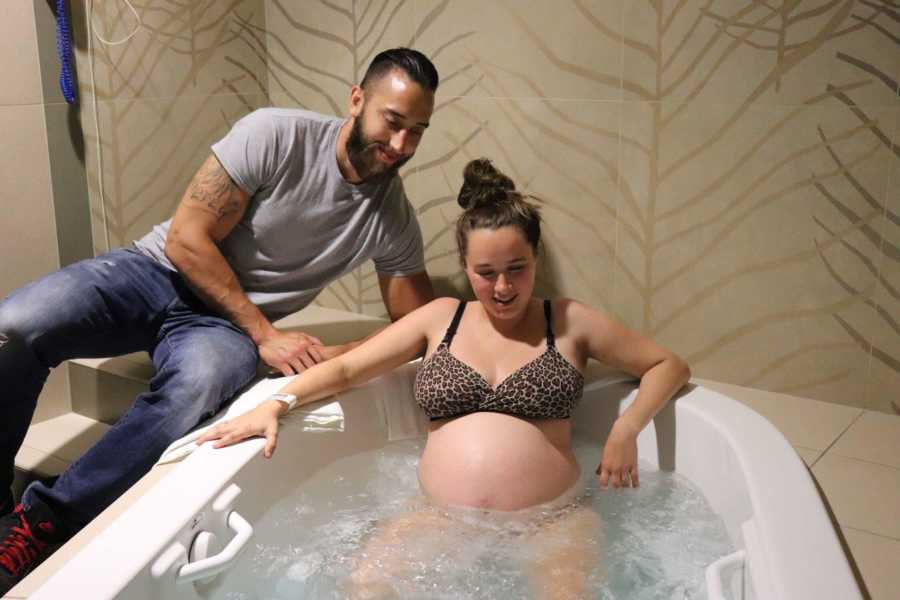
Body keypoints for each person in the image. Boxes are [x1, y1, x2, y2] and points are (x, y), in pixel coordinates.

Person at [0, 48, 439, 593]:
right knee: (14, 324)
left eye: (417, 131)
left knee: (195, 388)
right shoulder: (276, 135)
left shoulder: (391, 218)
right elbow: (187, 238)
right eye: (392, 122)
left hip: (219, 329)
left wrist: (339, 353)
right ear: (357, 100)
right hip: (153, 271)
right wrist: (267, 335)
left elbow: (421, 324)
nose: (400, 145)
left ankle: (43, 523)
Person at [199, 158, 692, 598]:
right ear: (465, 267)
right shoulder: (441, 318)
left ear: (535, 259)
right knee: (367, 588)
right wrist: (277, 404)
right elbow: (349, 368)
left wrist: (626, 429)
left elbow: (668, 365)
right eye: (485, 272)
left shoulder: (567, 321)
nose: (502, 287)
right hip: (439, 518)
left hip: (553, 520)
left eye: (516, 269)